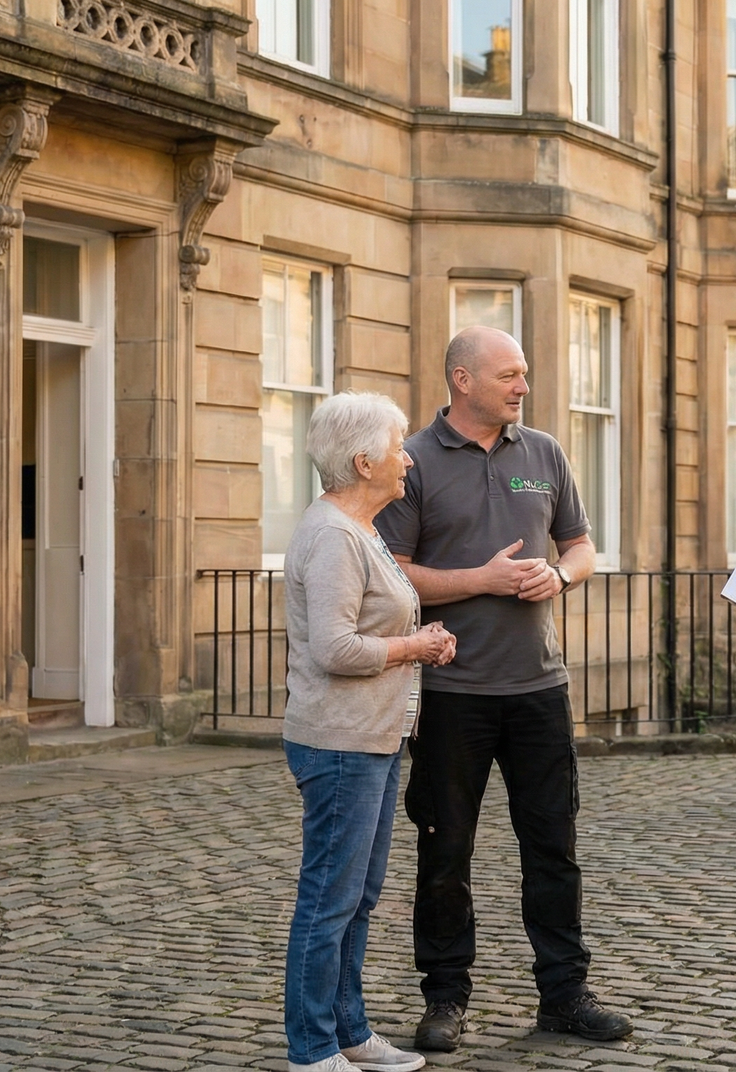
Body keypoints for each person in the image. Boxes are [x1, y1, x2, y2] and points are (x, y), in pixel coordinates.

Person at [375, 325, 633, 1052]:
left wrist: (560, 574)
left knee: (553, 846)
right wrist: (478, 580)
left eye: (523, 374)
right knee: (444, 848)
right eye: (509, 375)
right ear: (462, 380)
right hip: (451, 691)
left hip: (538, 688)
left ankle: (564, 995)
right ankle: (446, 997)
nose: (523, 386)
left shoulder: (544, 451)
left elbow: (580, 545)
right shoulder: (415, 461)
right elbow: (392, 572)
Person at [281, 392, 456, 1072]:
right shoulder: (332, 535)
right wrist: (413, 648)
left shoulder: (362, 528)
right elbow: (333, 648)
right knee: (329, 900)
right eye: (396, 446)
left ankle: (350, 1032)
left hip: (376, 739)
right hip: (338, 741)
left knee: (358, 897)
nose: (407, 458)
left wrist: (418, 641)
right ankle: (312, 1047)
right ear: (363, 461)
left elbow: (372, 628)